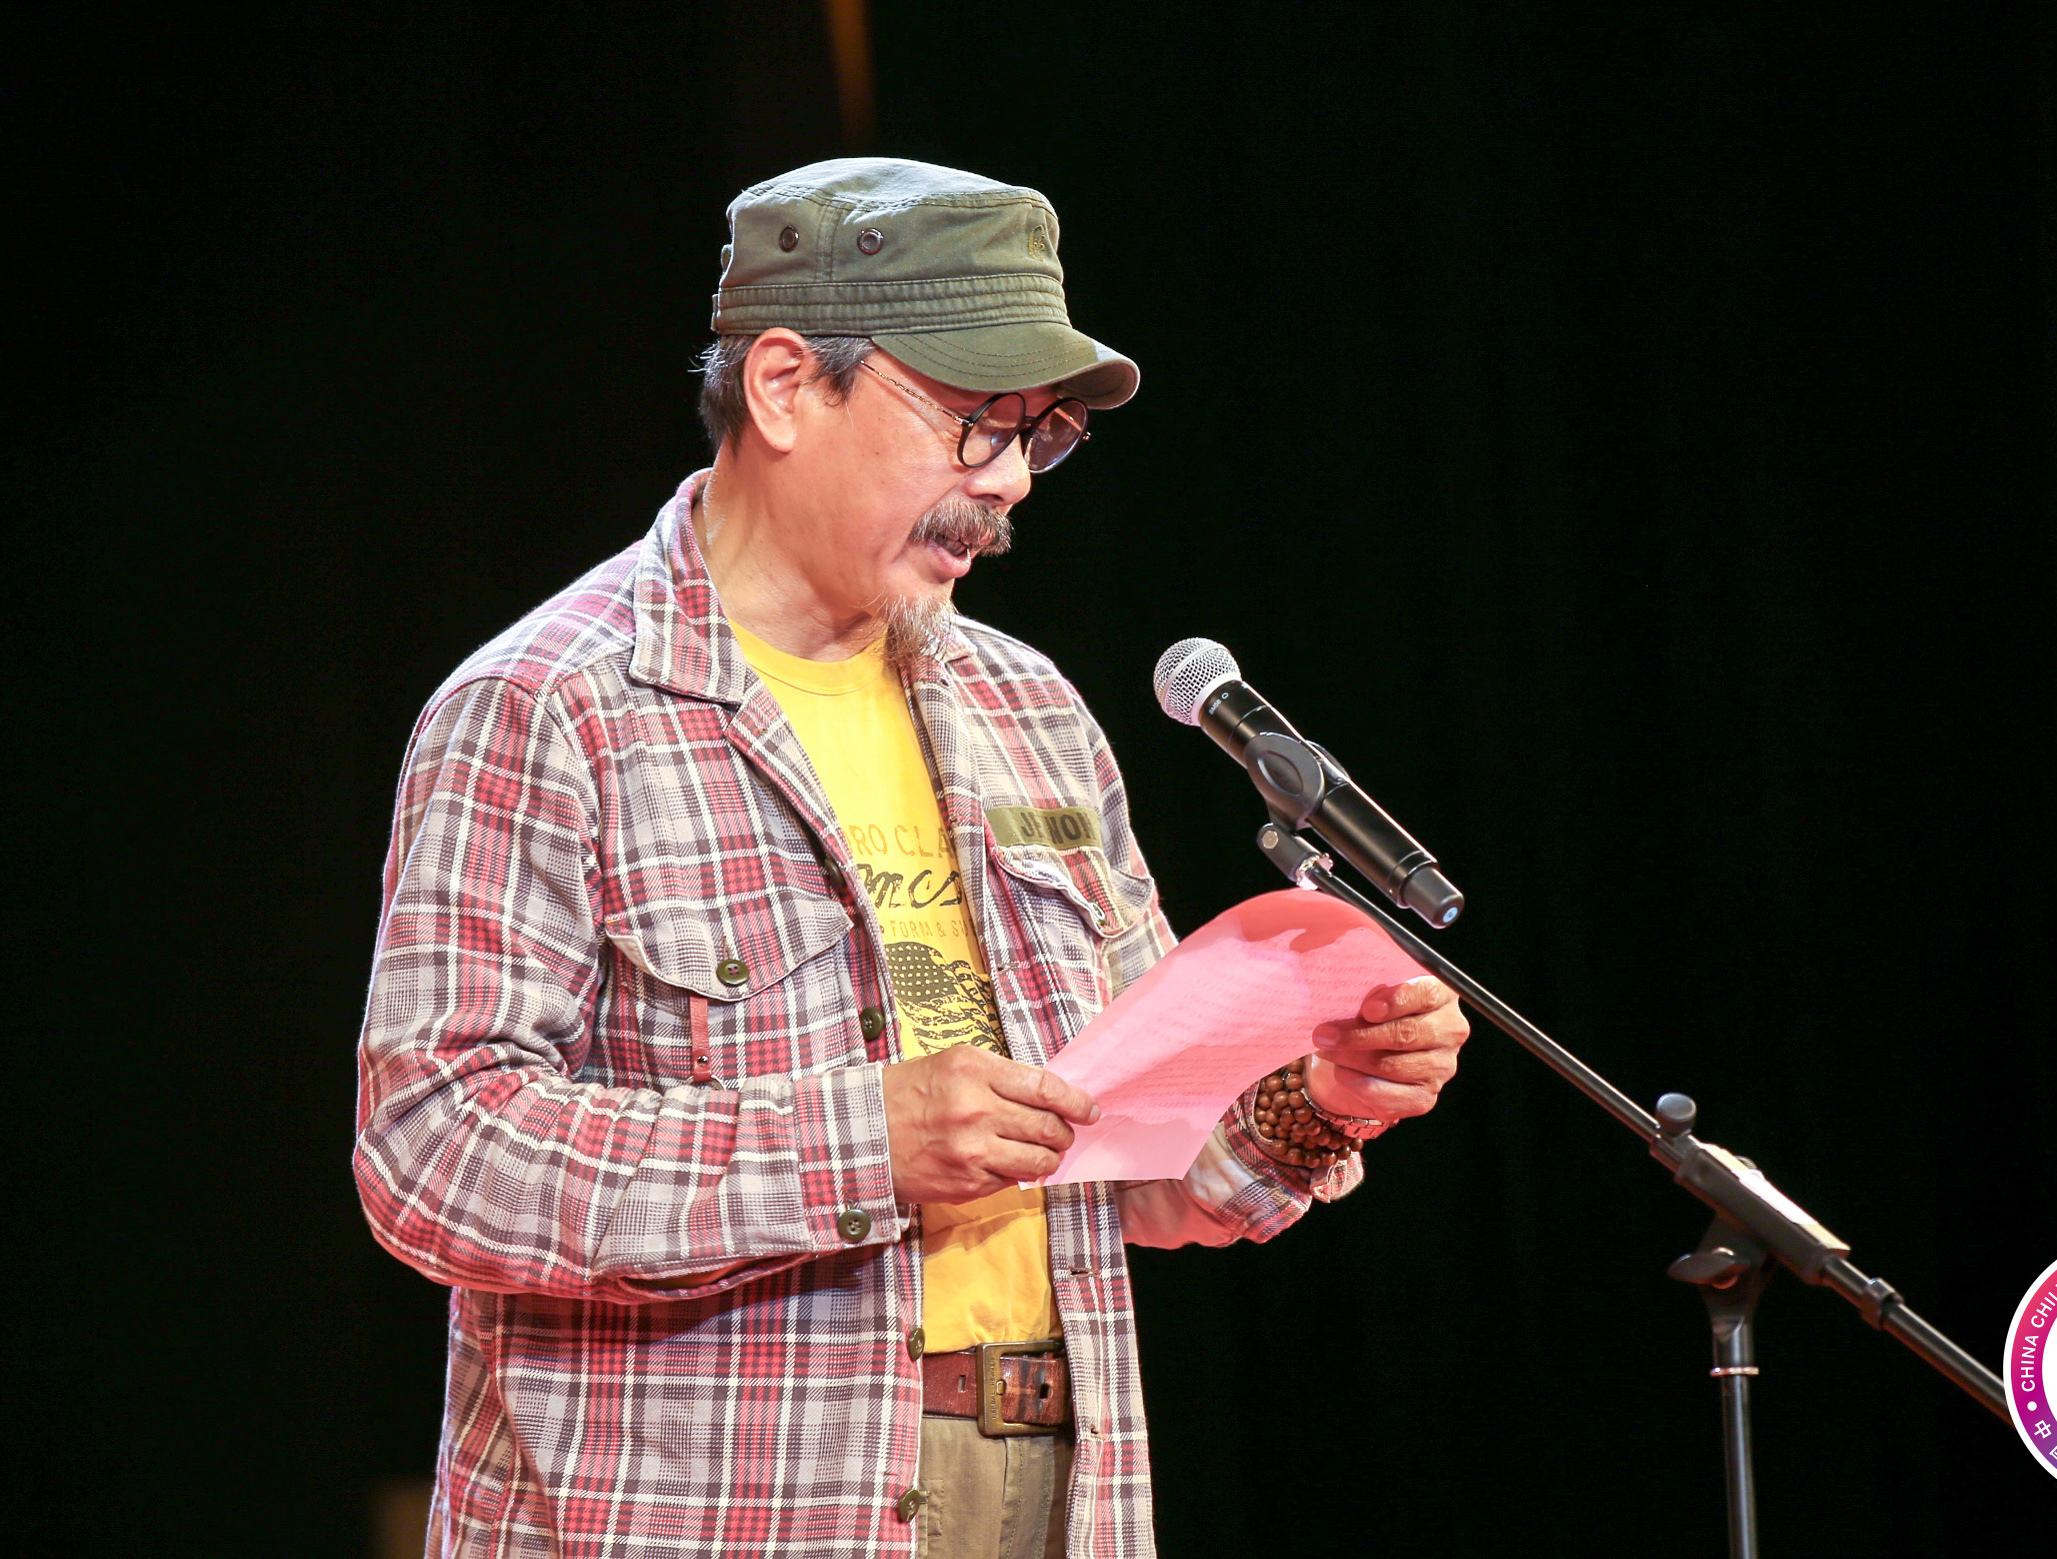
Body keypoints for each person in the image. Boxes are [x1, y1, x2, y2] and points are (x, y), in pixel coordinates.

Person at [355, 157, 1468, 1559]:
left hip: (1049, 1485)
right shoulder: (551, 707)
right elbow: (434, 1153)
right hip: (704, 1520)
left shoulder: (1028, 710)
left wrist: (1319, 1101)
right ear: (783, 386)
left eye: (1042, 436)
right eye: (973, 424)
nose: (1006, 482)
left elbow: (1139, 1164)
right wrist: (861, 1144)